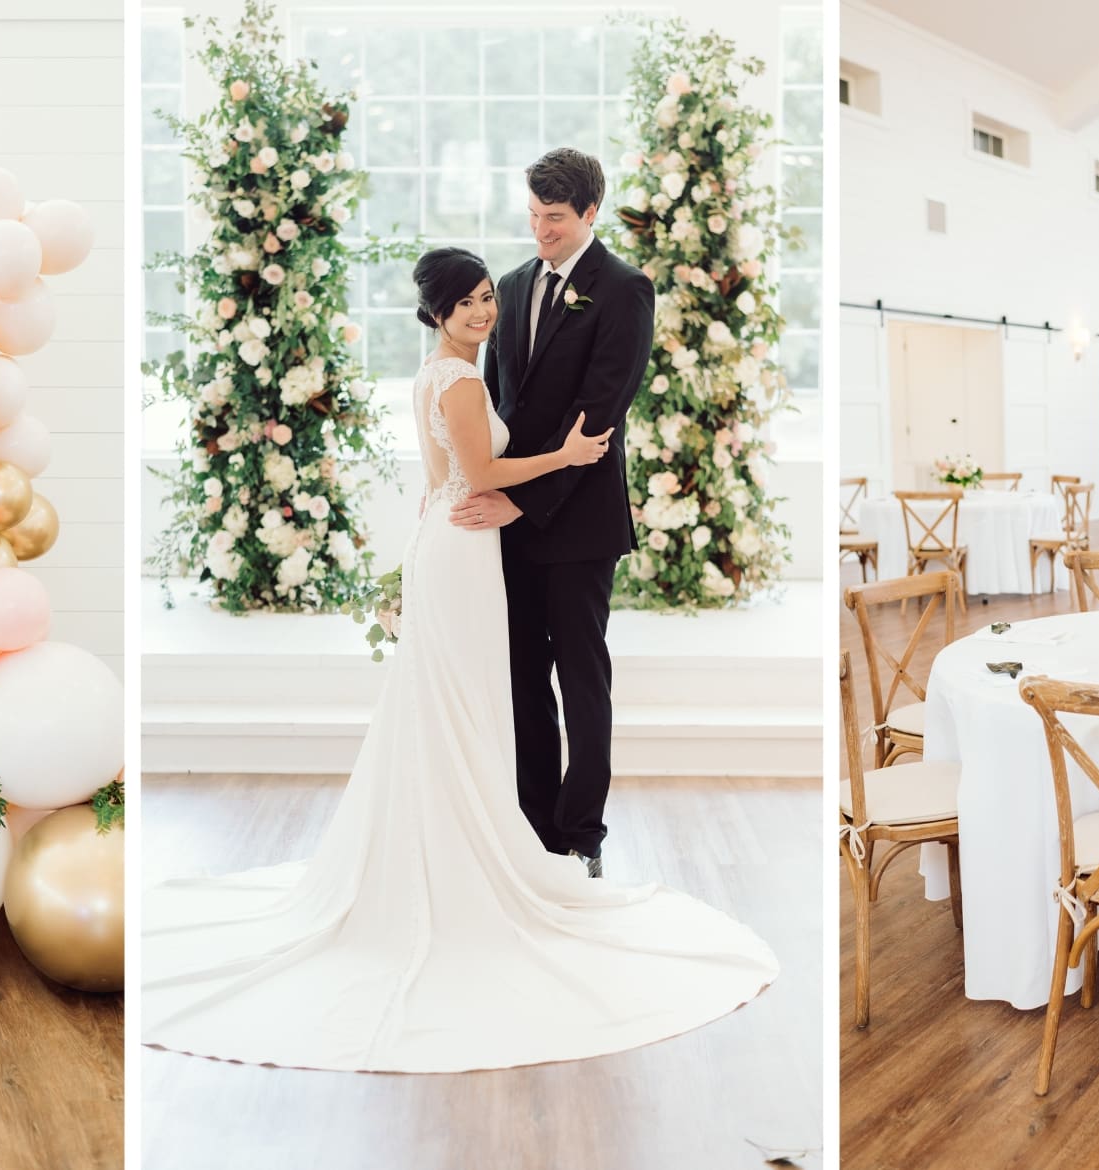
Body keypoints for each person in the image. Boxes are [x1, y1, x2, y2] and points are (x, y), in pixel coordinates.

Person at [140, 246, 776, 1075]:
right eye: (468, 303)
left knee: (461, 696)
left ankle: (519, 833)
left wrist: (491, 484)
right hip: (473, 539)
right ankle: (477, 845)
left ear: (585, 213)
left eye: (486, 299)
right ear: (439, 312)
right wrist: (567, 458)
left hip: (457, 537)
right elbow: (481, 468)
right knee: (472, 695)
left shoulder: (441, 372)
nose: (484, 311)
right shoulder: (463, 379)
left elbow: (452, 470)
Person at [453, 147, 654, 879]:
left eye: (557, 219)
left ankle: (581, 834)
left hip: (577, 522)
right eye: (534, 216)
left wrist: (519, 497)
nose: (541, 231)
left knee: (581, 677)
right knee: (521, 676)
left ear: (591, 213)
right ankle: (532, 829)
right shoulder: (508, 286)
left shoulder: (625, 290)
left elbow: (598, 417)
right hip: (508, 520)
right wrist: (485, 485)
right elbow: (500, 408)